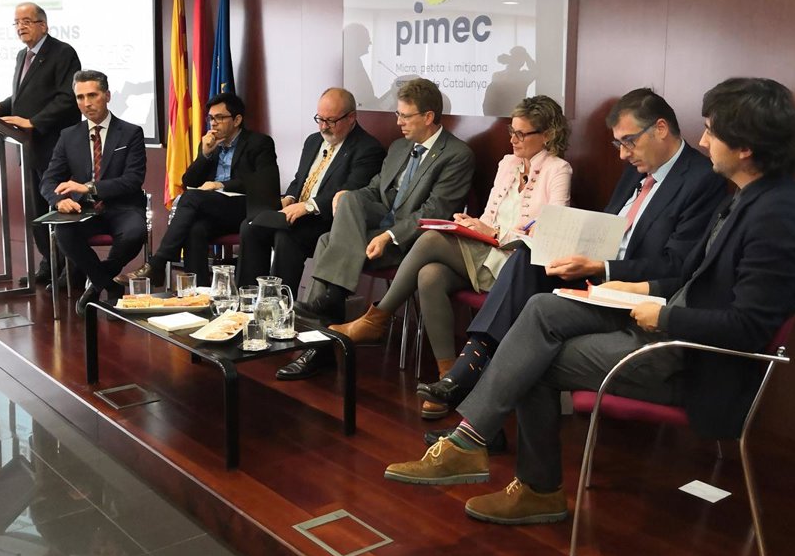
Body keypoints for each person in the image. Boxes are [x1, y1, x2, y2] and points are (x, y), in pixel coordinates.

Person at [383, 77, 795, 527]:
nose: (704, 140)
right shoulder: (752, 199)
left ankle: (528, 483)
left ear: (745, 146)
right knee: (541, 309)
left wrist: (662, 313)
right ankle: (473, 444)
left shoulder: (777, 218)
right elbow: (693, 277)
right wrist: (636, 289)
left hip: (691, 360)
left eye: (712, 131)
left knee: (533, 359)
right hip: (664, 322)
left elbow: (747, 329)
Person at [417, 88, 728, 436]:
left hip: (632, 293)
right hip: (595, 272)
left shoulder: (702, 180)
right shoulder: (637, 167)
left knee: (533, 313)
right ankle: (476, 401)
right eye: (618, 144)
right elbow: (610, 228)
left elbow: (676, 265)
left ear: (660, 128)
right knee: (527, 258)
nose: (623, 154)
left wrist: (601, 268)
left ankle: (470, 395)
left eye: (629, 142)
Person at [329, 95, 572, 420]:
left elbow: (551, 233)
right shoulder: (508, 164)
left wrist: (495, 233)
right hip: (486, 250)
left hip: (516, 266)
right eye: (511, 132)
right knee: (429, 274)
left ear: (547, 134)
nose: (513, 140)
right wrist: (473, 225)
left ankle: (378, 318)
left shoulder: (558, 169)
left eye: (521, 134)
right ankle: (449, 378)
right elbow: (489, 216)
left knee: (431, 238)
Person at [277, 77, 474, 380]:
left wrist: (388, 236)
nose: (398, 122)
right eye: (397, 114)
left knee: (328, 241)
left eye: (405, 116)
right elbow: (373, 190)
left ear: (428, 116)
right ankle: (328, 312)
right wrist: (348, 196)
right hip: (376, 227)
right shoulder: (398, 147)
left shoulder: (456, 155)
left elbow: (434, 213)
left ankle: (319, 344)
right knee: (349, 199)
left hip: (414, 243)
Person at [237, 88, 385, 294]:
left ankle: (278, 301)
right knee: (250, 226)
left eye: (331, 121)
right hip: (296, 212)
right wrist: (290, 198)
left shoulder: (368, 149)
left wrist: (308, 206)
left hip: (326, 220)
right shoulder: (313, 140)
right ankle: (248, 296)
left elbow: (350, 192)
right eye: (320, 119)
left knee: (286, 237)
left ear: (351, 117)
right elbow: (300, 179)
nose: (324, 127)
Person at [0, 2, 82, 283]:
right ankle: (50, 263)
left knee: (58, 207)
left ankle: (72, 269)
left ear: (43, 25)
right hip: (30, 147)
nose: (20, 27)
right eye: (16, 22)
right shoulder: (22, 56)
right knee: (37, 211)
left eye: (26, 21)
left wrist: (34, 121)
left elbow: (67, 98)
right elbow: (24, 98)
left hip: (55, 146)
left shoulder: (63, 53)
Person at [129, 93, 279, 284]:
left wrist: (221, 184)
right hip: (214, 209)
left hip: (245, 207)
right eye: (211, 118)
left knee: (191, 198)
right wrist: (205, 155)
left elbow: (262, 182)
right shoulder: (210, 143)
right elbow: (188, 181)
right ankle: (199, 291)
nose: (213, 123)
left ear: (237, 120)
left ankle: (158, 262)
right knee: (195, 229)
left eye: (220, 117)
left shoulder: (259, 143)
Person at [40, 70, 147, 316]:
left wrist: (89, 187)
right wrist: (59, 201)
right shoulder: (68, 136)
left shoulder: (131, 132)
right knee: (64, 232)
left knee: (135, 232)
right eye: (80, 97)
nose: (86, 103)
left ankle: (96, 282)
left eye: (92, 95)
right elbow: (49, 179)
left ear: (107, 96)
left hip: (123, 207)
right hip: (85, 210)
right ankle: (109, 285)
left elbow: (133, 180)